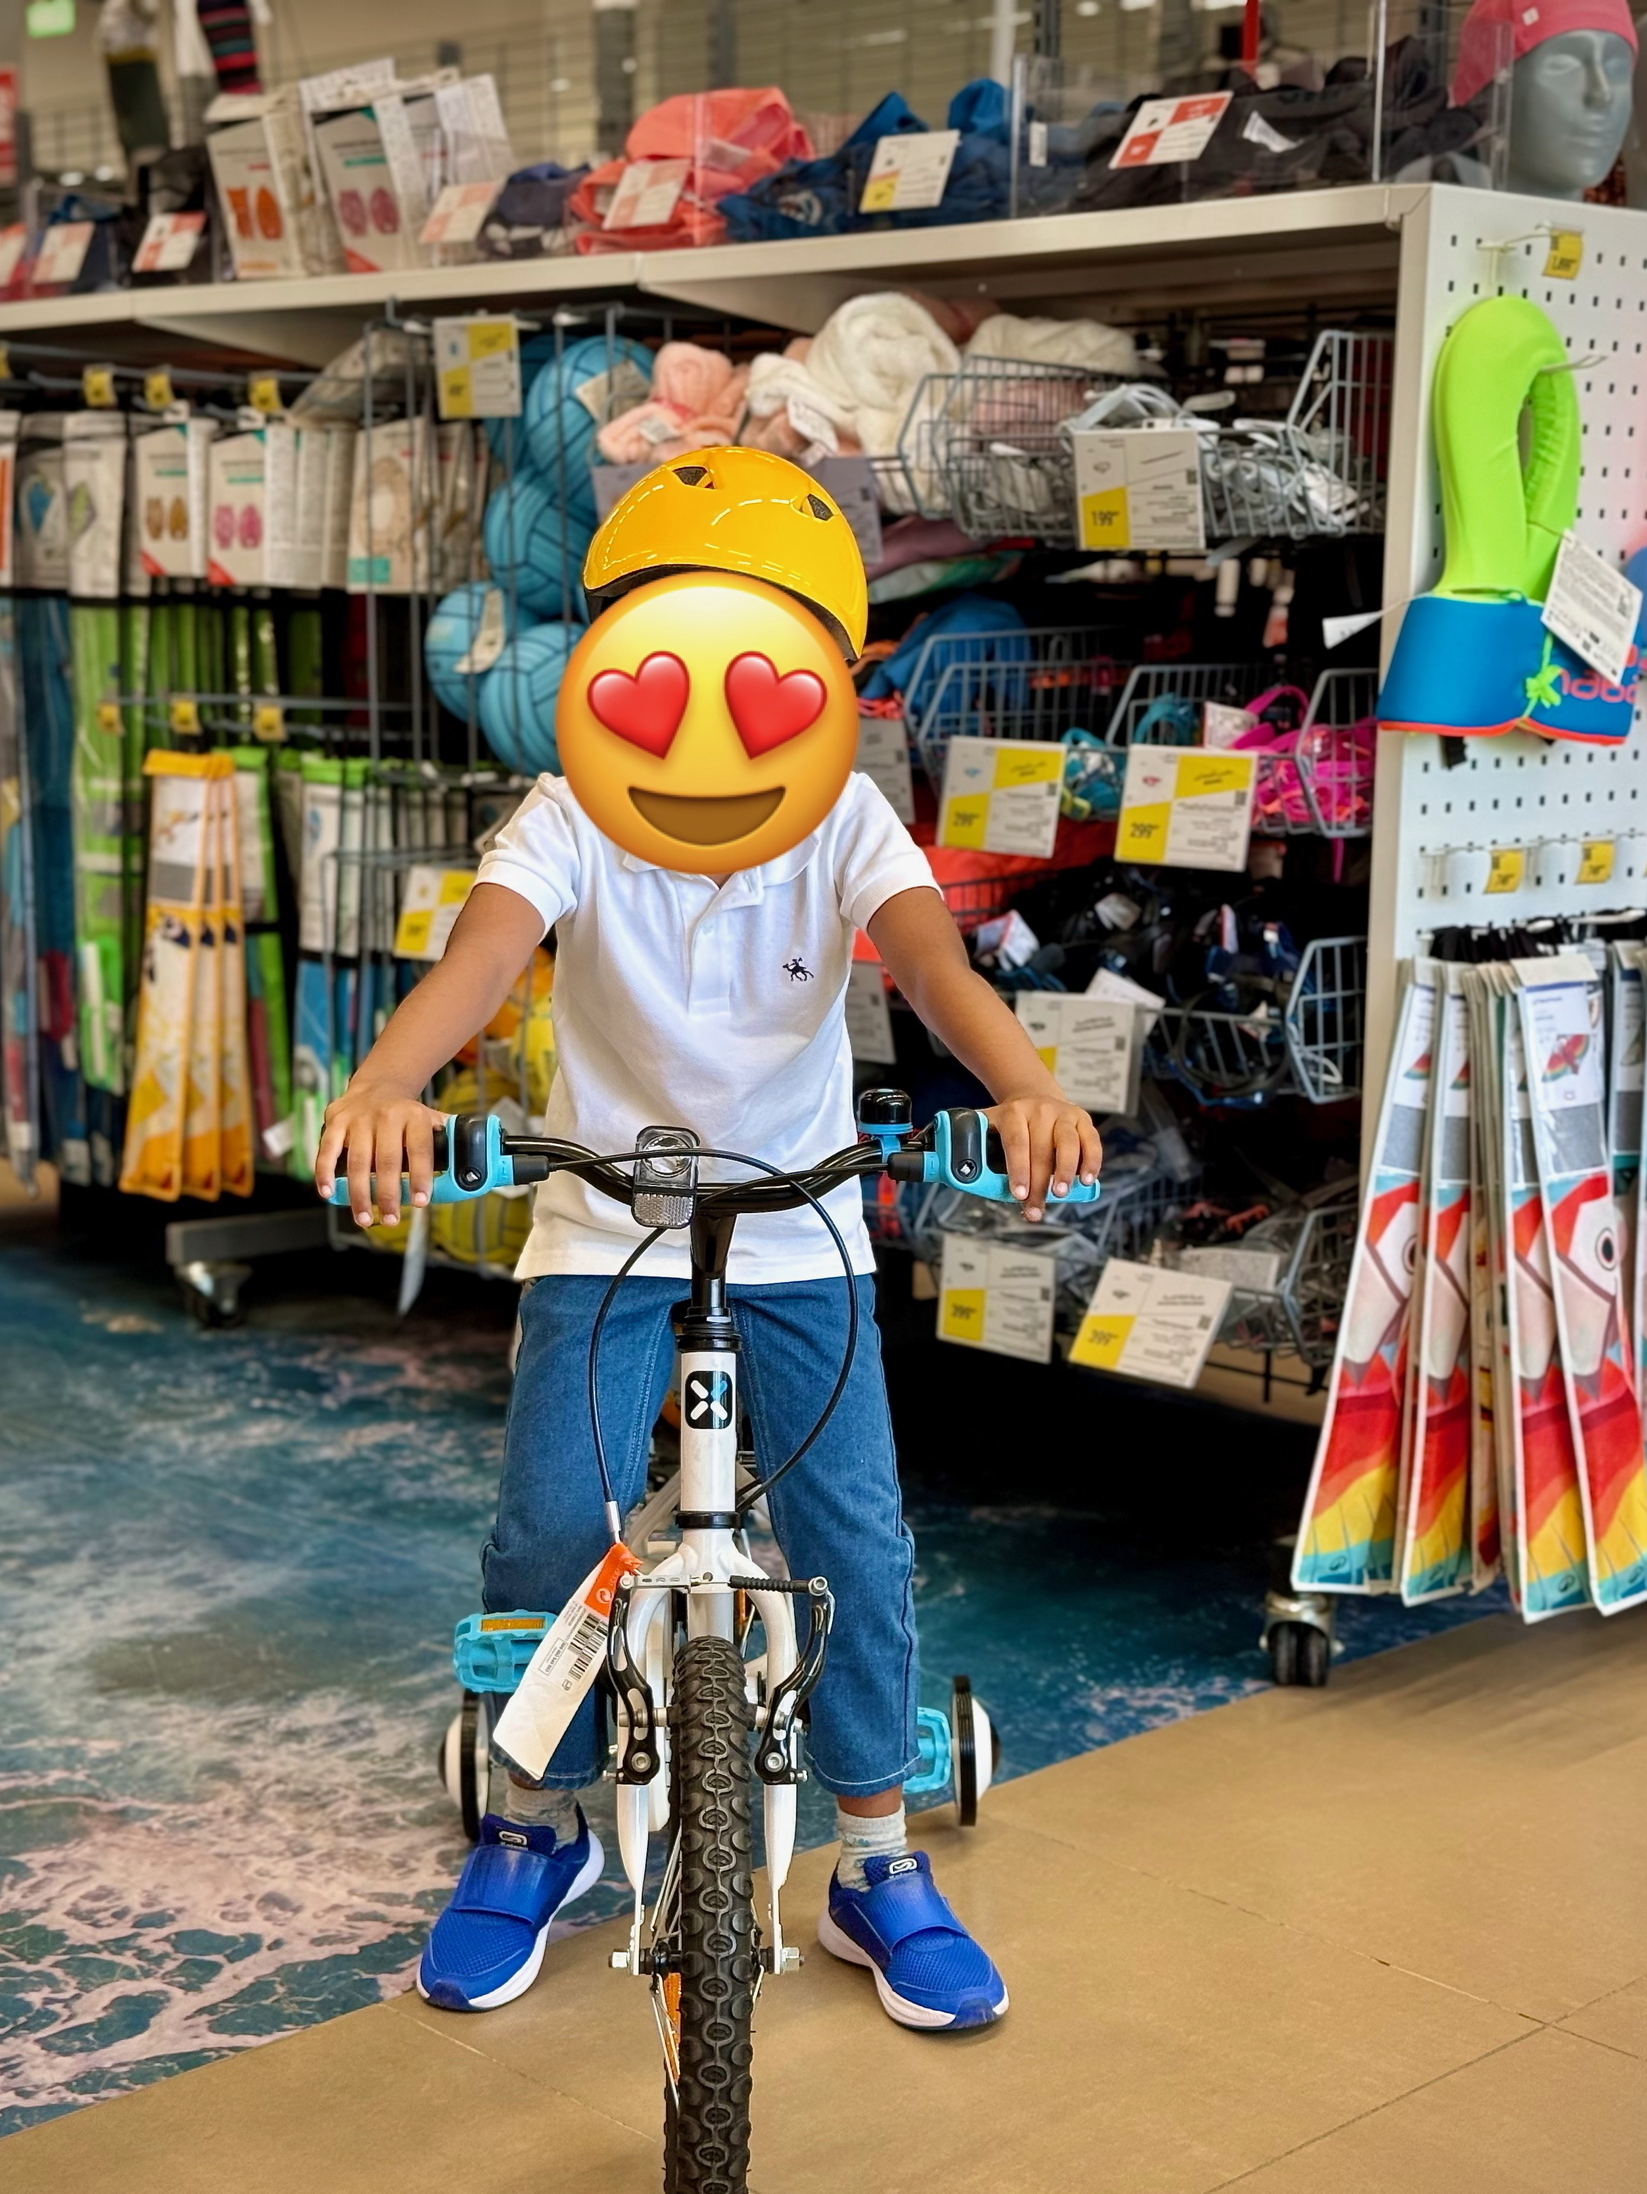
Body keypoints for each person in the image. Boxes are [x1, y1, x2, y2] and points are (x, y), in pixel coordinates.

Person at [316, 453, 1101, 2032]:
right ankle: (530, 1829)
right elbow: (480, 959)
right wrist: (394, 1080)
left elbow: (936, 968)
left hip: (798, 1229)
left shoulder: (848, 820)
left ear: (834, 681)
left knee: (855, 1541)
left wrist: (1022, 1084)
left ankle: (876, 1860)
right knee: (550, 1528)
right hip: (602, 1218)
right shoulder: (569, 817)